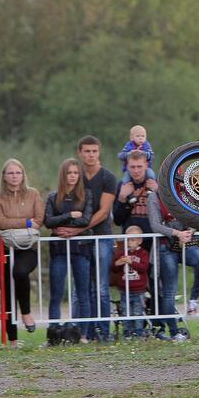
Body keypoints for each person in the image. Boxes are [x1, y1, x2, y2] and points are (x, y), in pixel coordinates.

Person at [0, 158, 45, 346]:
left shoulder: (33, 194)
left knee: (20, 272)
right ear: (4, 177)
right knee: (6, 292)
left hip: (27, 247)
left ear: (23, 175)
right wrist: (26, 222)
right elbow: (0, 222)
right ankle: (12, 340)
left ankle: (26, 312)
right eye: (10, 173)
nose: (15, 176)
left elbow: (40, 219)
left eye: (18, 172)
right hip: (4, 249)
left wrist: (17, 222)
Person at [147, 189, 199, 341]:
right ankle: (174, 331)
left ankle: (193, 300)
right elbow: (155, 225)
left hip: (183, 243)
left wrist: (189, 232)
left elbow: (197, 215)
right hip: (164, 245)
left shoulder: (185, 193)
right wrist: (177, 233)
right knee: (170, 291)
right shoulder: (154, 196)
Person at [44, 158, 93, 342]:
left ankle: (83, 334)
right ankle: (54, 334)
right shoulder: (53, 196)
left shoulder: (86, 195)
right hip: (59, 249)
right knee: (56, 293)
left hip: (81, 249)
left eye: (75, 173)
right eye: (69, 173)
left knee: (83, 292)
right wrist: (70, 215)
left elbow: (86, 220)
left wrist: (67, 227)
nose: (72, 176)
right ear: (63, 175)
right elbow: (48, 221)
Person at [76, 136, 117, 342]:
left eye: (94, 151)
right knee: (82, 288)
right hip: (80, 239)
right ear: (80, 153)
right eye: (87, 151)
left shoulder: (108, 177)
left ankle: (103, 332)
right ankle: (82, 332)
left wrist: (80, 227)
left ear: (99, 152)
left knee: (101, 287)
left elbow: (104, 211)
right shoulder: (75, 176)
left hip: (102, 237)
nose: (91, 155)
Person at [111, 225, 149, 338]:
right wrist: (119, 262)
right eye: (127, 239)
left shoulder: (143, 253)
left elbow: (143, 268)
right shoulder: (122, 253)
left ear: (140, 241)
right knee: (125, 312)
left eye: (132, 240)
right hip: (124, 290)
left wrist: (131, 262)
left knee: (138, 312)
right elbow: (114, 268)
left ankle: (138, 332)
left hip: (139, 290)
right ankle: (127, 332)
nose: (129, 242)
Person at [113, 150, 157, 234]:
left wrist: (158, 193)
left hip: (152, 239)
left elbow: (166, 215)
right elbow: (117, 221)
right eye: (132, 167)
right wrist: (122, 198)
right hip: (130, 240)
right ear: (127, 167)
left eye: (139, 166)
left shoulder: (156, 184)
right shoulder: (122, 186)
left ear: (146, 166)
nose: (136, 171)